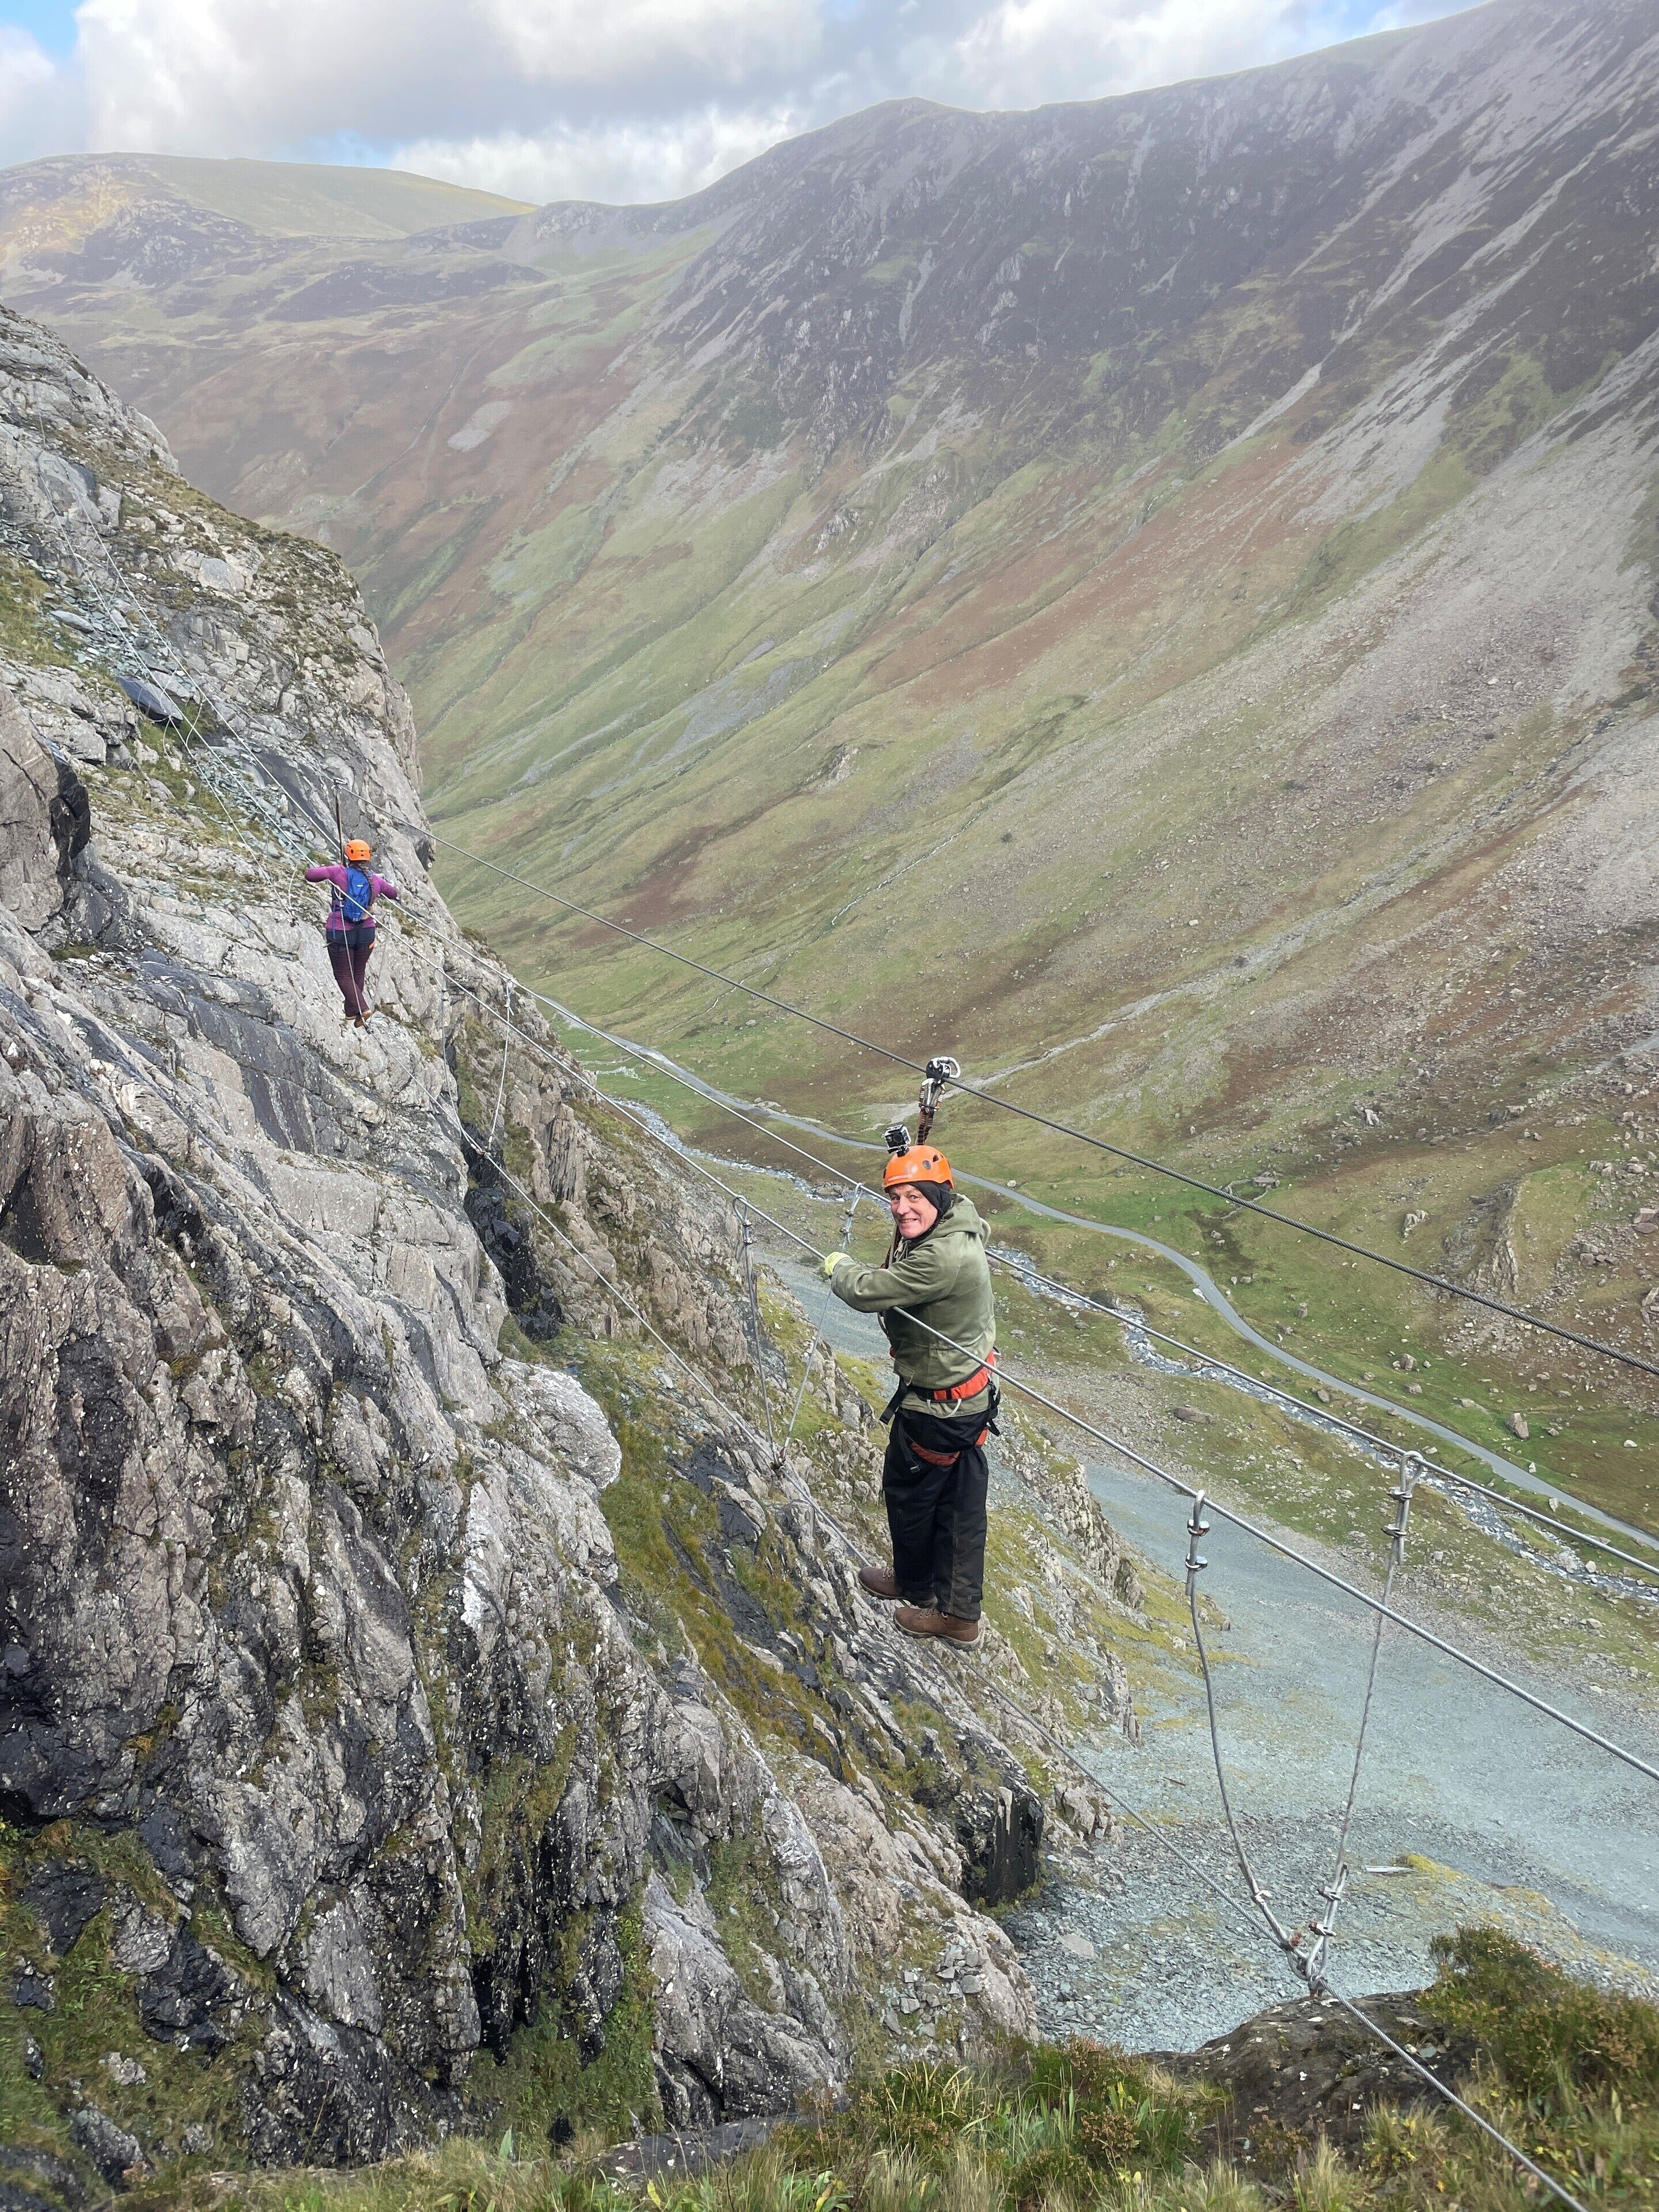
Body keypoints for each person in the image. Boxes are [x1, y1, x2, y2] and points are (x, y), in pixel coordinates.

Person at [824, 1145, 997, 1645]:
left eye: (914, 1197)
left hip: (939, 1407)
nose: (901, 1209)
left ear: (940, 1197)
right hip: (966, 1397)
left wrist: (839, 1268)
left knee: (914, 1495)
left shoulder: (942, 1258)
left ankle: (927, 1597)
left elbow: (865, 1292)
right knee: (953, 1501)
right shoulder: (961, 1224)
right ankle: (945, 1603)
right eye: (895, 1198)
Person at [305, 839, 398, 1026]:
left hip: (341, 931)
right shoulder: (375, 880)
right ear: (368, 858)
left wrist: (333, 869)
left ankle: (362, 1008)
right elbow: (394, 893)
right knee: (358, 972)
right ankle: (351, 1013)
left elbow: (310, 875)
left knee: (343, 975)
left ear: (348, 856)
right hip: (366, 932)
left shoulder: (338, 872)